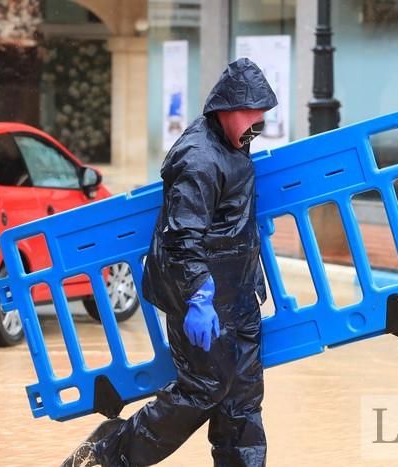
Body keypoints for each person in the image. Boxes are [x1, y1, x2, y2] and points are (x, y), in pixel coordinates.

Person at [62, 57, 277, 467]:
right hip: (204, 298)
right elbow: (182, 235)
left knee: (243, 401)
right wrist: (199, 296)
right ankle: (105, 457)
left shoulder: (232, 144)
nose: (257, 129)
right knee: (204, 387)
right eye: (253, 119)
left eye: (262, 121)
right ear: (227, 112)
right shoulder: (199, 158)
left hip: (237, 296)